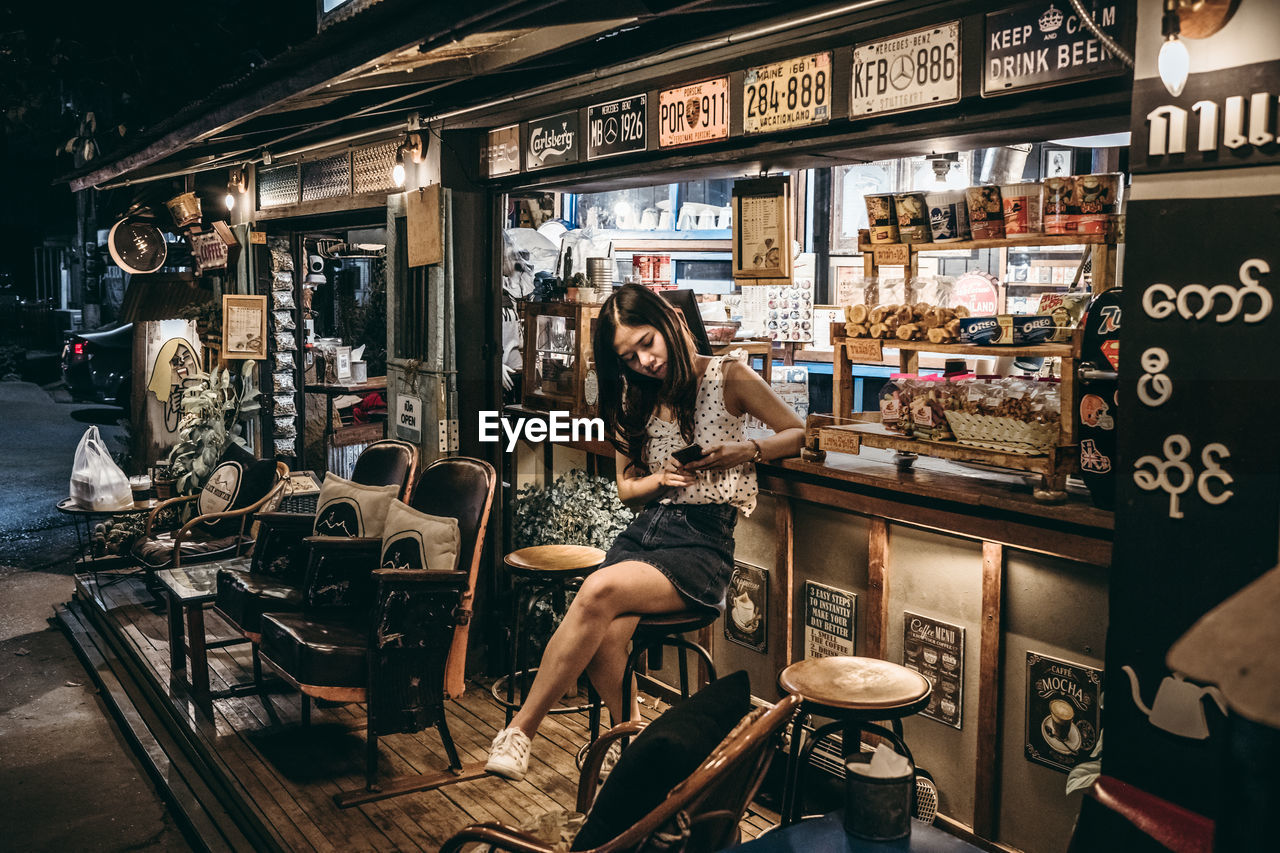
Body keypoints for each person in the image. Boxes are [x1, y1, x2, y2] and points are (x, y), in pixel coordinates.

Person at [486, 283, 805, 781]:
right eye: (629, 357)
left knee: (598, 589)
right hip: (646, 531)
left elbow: (799, 432)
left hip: (703, 543)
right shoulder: (633, 397)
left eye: (646, 343)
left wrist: (745, 452)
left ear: (671, 324)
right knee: (607, 632)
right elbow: (625, 491)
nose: (643, 362)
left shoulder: (728, 375)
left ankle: (521, 730)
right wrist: (661, 480)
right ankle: (630, 738)